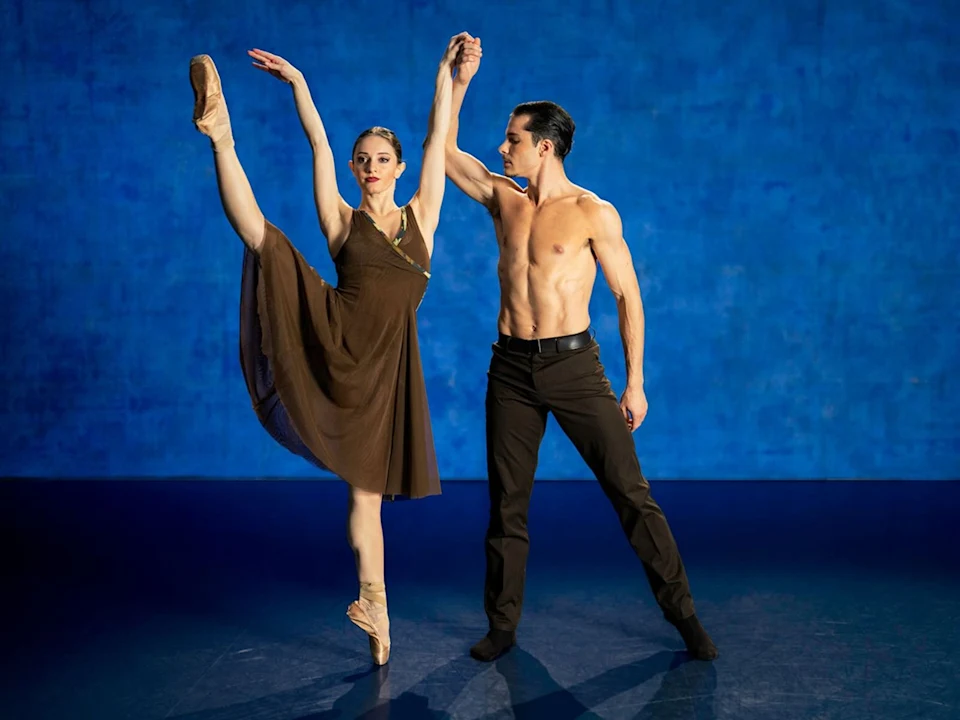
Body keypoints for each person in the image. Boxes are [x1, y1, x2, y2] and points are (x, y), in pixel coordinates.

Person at [188, 33, 468, 666]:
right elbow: (318, 141)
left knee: (366, 495)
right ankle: (222, 135)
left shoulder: (424, 215)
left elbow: (435, 139)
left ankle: (375, 606)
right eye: (361, 159)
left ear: (397, 168)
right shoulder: (342, 221)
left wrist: (444, 72)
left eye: (381, 159)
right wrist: (300, 86)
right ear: (354, 168)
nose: (370, 166)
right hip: (336, 341)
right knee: (265, 239)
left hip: (387, 372)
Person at [444, 37, 719, 662]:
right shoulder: (502, 199)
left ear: (544, 145)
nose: (501, 148)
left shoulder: (594, 213)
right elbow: (441, 154)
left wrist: (635, 382)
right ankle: (503, 628)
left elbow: (627, 297)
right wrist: (457, 80)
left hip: (574, 366)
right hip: (510, 368)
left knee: (630, 494)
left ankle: (687, 619)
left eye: (512, 139)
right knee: (506, 506)